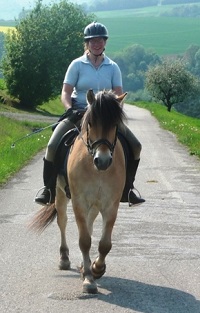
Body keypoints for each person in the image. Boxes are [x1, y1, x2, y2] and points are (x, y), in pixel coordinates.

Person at [34, 22, 145, 206]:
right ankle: (48, 189)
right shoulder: (76, 65)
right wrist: (69, 107)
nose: (96, 44)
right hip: (79, 112)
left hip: (106, 116)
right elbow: (66, 92)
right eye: (92, 41)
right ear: (87, 43)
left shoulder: (113, 67)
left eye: (100, 40)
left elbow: (118, 93)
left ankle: (128, 189)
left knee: (136, 146)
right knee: (53, 145)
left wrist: (113, 110)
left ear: (105, 42)